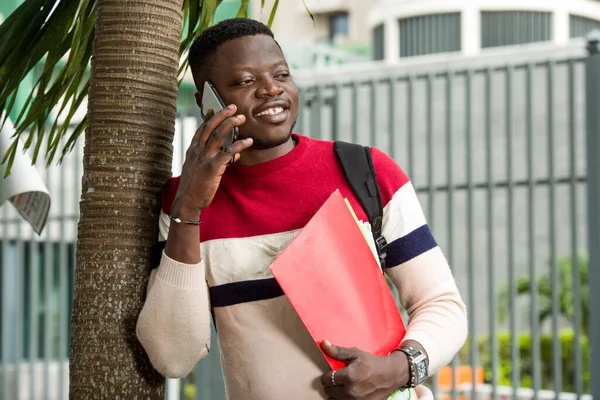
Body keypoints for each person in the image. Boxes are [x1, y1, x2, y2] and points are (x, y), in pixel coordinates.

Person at [136, 18, 468, 400]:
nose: (271, 89)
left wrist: (399, 368)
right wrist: (189, 209)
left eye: (281, 74)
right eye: (245, 81)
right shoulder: (183, 204)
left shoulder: (365, 171)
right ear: (206, 101)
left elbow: (442, 304)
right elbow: (172, 357)